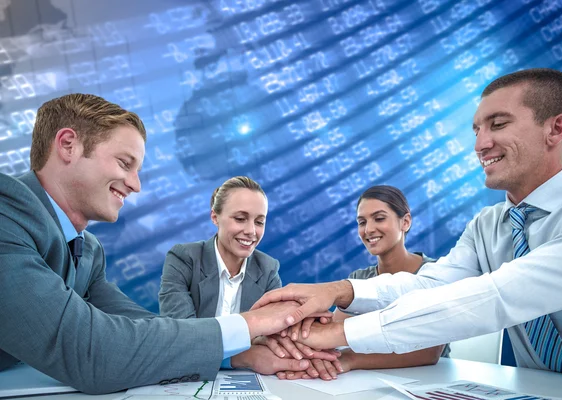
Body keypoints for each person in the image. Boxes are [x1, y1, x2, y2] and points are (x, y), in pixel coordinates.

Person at [252, 68, 562, 378]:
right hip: (544, 388)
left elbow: (500, 295)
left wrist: (337, 335)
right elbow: (430, 286)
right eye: (476, 129)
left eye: (498, 124)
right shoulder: (486, 225)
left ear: (556, 128)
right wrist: (337, 291)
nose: (480, 144)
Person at [0, 94, 329, 394]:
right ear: (68, 144)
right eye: (125, 163)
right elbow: (91, 353)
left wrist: (238, 356)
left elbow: (140, 327)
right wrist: (249, 324)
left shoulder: (88, 250)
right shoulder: (5, 211)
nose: (136, 184)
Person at [278, 185, 449, 380]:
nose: (368, 230)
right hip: (369, 381)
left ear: (406, 222)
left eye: (379, 218)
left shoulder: (435, 274)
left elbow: (429, 351)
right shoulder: (358, 280)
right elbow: (331, 335)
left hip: (431, 380)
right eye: (362, 222)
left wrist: (351, 360)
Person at [159, 176, 281, 319]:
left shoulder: (268, 270)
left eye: (259, 222)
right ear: (215, 217)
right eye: (240, 219)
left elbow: (274, 332)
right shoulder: (184, 259)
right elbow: (182, 332)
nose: (251, 231)